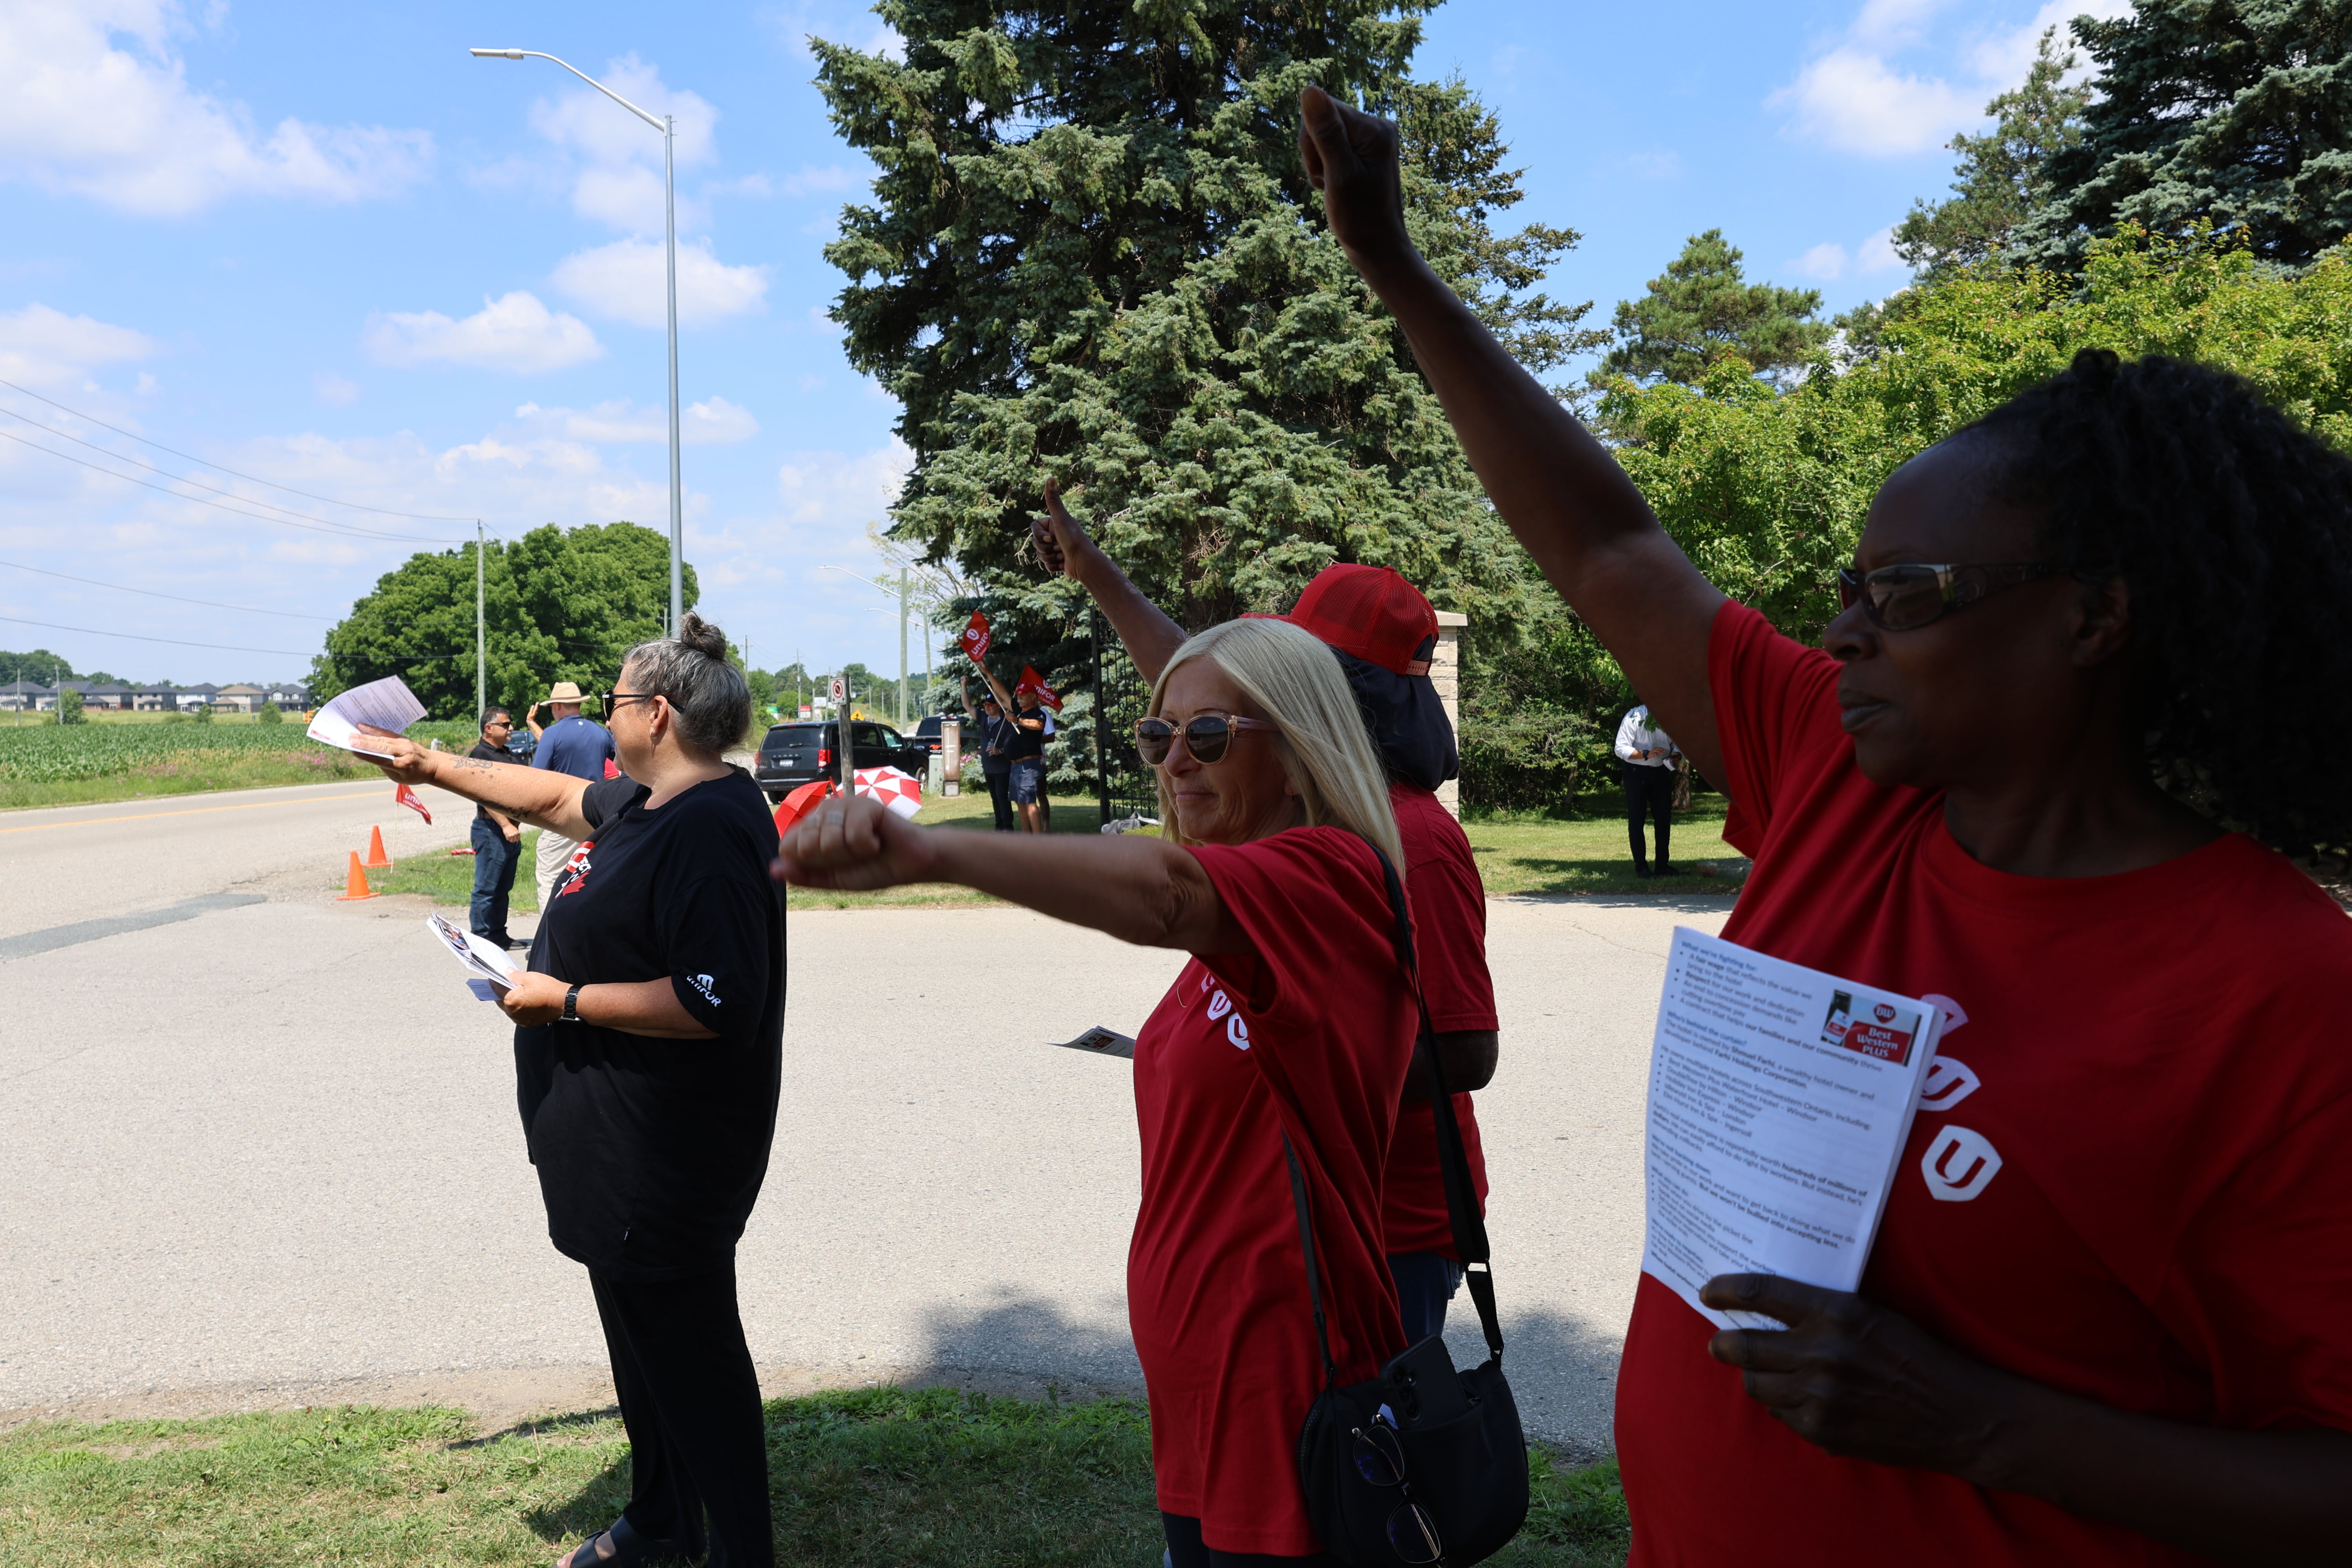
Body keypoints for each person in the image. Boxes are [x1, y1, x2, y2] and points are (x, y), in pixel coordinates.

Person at [1299, 83, 2352, 1564]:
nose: (1844, 632)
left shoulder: (2283, 995)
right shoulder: (1839, 784)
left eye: (1905, 595)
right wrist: (1395, 268)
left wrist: (1987, 1422)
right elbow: (1610, 546)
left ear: (2096, 617)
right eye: (1850, 591)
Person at [779, 617, 1416, 1564]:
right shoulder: (1240, 909)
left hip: (1285, 1377)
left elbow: (1162, 890)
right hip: (1206, 1370)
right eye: (1160, 737)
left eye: (1210, 738)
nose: (1176, 762)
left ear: (1300, 757)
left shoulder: (1332, 877)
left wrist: (936, 854)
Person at [354, 615, 784, 1568]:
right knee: (643, 1351)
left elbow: (718, 998)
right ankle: (663, 1520)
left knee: (693, 1358)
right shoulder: (653, 802)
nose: (604, 710)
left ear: (658, 713)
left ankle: (738, 1553)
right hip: (607, 1137)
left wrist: (568, 998)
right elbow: (550, 794)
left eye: (619, 696)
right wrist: (429, 764)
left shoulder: (709, 826)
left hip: (662, 1150)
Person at [1033, 482, 1499, 1342]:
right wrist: (1093, 570)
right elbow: (1200, 707)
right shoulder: (1282, 800)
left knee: (1356, 1464)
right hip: (1290, 1223)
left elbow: (1467, 1047)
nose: (1189, 752)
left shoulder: (1410, 839)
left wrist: (1300, 1047)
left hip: (1384, 1227)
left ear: (1330, 695)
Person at [528, 680, 617, 906]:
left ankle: (549, 937)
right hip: (596, 817)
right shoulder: (600, 732)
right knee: (588, 878)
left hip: (562, 815)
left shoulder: (552, 734)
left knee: (551, 877)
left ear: (557, 706)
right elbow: (621, 768)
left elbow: (535, 779)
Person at [467, 705, 524, 949]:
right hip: (491, 830)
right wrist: (505, 824)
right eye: (506, 725)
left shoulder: (506, 754)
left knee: (503, 890)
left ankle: (499, 938)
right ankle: (481, 942)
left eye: (510, 724)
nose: (511, 728)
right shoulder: (480, 754)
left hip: (510, 831)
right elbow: (482, 795)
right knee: (486, 890)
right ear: (488, 728)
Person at [975, 662, 1049, 832]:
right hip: (1016, 765)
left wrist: (1018, 721)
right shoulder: (1019, 710)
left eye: (1023, 695)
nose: (1019, 698)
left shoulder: (1037, 713)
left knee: (1029, 802)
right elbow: (1002, 693)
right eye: (1019, 695)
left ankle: (1038, 841)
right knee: (1020, 802)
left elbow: (1038, 726)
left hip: (1029, 764)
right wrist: (987, 672)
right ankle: (1026, 836)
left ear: (1033, 697)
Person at [1612, 703, 1678, 878]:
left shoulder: (1670, 716)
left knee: (1664, 819)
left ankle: (1662, 866)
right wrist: (1645, 754)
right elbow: (1620, 748)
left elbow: (1677, 743)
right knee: (1637, 819)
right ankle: (1641, 867)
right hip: (1636, 772)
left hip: (1661, 771)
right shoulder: (1634, 716)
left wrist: (1677, 755)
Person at [962, 679, 1018, 831]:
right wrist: (964, 686)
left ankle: (1008, 826)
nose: (986, 707)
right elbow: (968, 706)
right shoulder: (984, 719)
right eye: (985, 705)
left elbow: (1014, 744)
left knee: (1002, 796)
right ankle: (999, 825)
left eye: (990, 705)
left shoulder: (1008, 721)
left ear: (998, 706)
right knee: (994, 798)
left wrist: (1001, 751)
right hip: (989, 767)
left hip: (1002, 767)